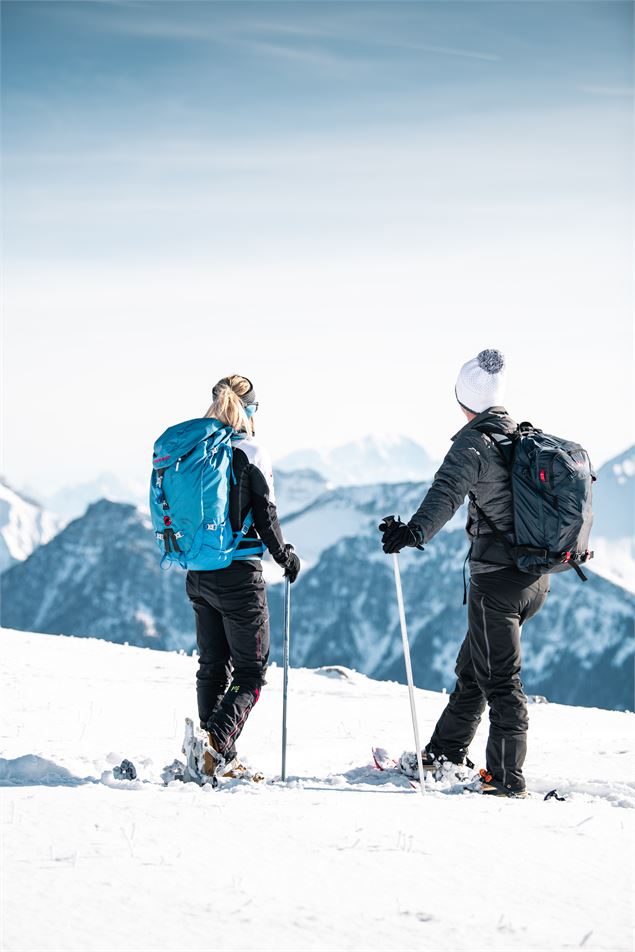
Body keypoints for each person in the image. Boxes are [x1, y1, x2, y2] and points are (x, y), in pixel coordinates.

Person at [379, 349, 549, 797]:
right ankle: (446, 751)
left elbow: (445, 494)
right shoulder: (522, 438)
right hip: (535, 579)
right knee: (475, 666)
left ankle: (506, 778)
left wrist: (411, 532)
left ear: (463, 399)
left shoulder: (474, 444)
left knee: (499, 678)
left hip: (498, 580)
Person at [185, 374, 300, 779]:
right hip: (238, 576)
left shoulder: (197, 449)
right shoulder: (251, 450)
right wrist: (285, 556)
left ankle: (210, 751)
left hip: (198, 572)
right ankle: (216, 745)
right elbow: (265, 514)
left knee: (213, 665)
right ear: (249, 408)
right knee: (250, 671)